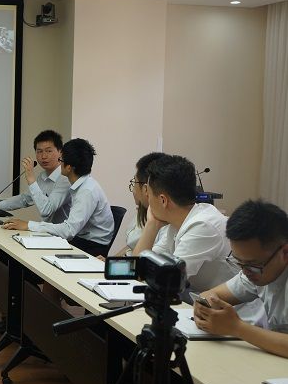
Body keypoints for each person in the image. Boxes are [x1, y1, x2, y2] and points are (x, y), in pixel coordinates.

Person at [193, 200, 288, 357]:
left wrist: (236, 328)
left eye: (252, 264)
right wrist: (204, 307)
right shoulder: (255, 270)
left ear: (284, 252)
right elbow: (211, 295)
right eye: (239, 262)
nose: (245, 271)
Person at [133, 154, 236, 293]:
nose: (148, 201)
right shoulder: (177, 222)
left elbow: (166, 280)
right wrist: (152, 224)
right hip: (196, 300)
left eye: (149, 194)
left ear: (163, 200)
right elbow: (138, 270)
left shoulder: (203, 226)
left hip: (226, 306)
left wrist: (151, 222)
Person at [3, 138, 114, 257]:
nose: (59, 163)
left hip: (91, 246)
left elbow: (69, 231)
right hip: (80, 238)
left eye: (61, 160)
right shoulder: (81, 184)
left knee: (33, 254)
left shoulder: (87, 191)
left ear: (69, 167)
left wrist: (28, 225)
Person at [0, 129, 71, 224]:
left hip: (64, 235)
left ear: (60, 152)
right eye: (39, 151)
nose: (43, 156)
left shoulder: (65, 178)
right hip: (46, 231)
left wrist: (31, 178)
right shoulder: (43, 176)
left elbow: (47, 210)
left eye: (49, 151)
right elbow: (25, 199)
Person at [116, 152, 167, 256]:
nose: (133, 190)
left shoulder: (161, 223)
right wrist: (111, 261)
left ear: (146, 189)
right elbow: (131, 246)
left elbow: (138, 261)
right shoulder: (144, 210)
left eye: (134, 182)